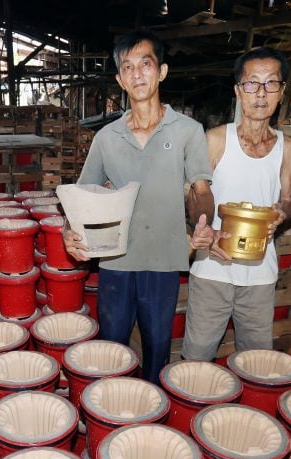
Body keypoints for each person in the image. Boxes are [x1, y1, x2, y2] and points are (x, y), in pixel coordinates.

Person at [63, 30, 215, 385]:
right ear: (119, 79)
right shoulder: (107, 137)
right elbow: (81, 196)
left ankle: (152, 420)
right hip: (116, 258)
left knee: (157, 347)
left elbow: (201, 188)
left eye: (145, 64)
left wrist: (204, 221)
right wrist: (68, 232)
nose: (137, 75)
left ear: (161, 71)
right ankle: (112, 416)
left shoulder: (188, 131)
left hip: (163, 259)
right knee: (112, 347)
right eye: (127, 68)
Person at [182, 47, 291, 361]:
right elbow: (193, 196)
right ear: (238, 91)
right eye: (251, 84)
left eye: (271, 83)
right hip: (213, 270)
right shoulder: (216, 139)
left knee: (256, 362)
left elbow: (287, 201)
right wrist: (204, 228)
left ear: (281, 91)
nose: (260, 94)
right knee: (196, 359)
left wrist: (280, 214)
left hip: (260, 275)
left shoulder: (286, 147)